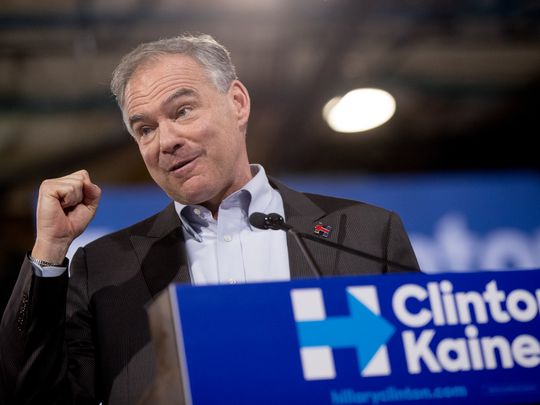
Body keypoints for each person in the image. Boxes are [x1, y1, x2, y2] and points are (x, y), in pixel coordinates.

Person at [0, 34, 419, 404]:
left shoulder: (364, 234)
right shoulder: (105, 268)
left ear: (237, 103)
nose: (166, 141)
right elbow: (35, 393)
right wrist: (49, 251)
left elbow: (420, 379)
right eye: (144, 129)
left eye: (182, 111)